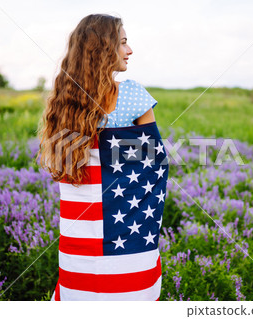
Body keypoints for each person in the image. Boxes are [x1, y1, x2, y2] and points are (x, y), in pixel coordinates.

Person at [37, 14, 169, 301]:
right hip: (129, 240)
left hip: (79, 242)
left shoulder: (65, 101)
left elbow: (68, 163)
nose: (129, 50)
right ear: (104, 50)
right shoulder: (133, 94)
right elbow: (152, 159)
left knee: (81, 293)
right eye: (122, 43)